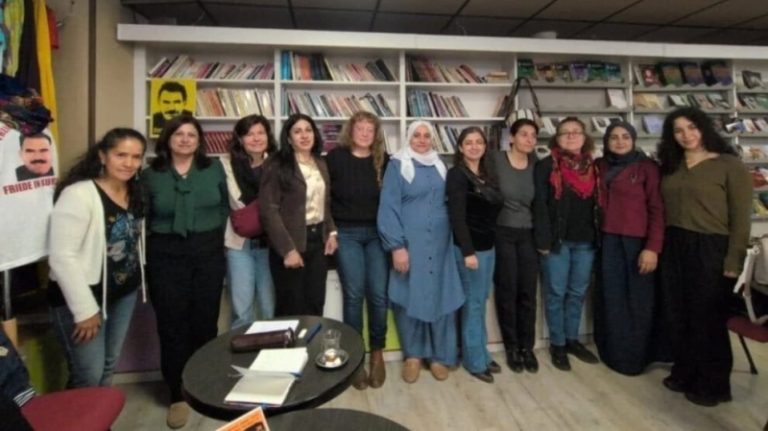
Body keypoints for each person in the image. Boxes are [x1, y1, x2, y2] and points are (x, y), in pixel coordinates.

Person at [657, 107, 752, 406]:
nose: (686, 135)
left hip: (711, 247)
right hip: (674, 244)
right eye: (678, 130)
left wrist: (733, 262)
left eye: (692, 127)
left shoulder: (729, 165)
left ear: (704, 128)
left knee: (707, 318)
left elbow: (741, 219)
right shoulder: (671, 165)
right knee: (678, 313)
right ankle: (685, 371)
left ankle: (714, 385)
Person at [143, 115, 228, 429]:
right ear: (167, 139)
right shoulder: (151, 174)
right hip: (165, 254)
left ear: (199, 140)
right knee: (172, 324)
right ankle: (177, 394)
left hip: (207, 252)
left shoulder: (213, 169)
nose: (185, 139)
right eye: (178, 134)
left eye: (191, 134)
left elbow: (224, 207)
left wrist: (211, 234)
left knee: (205, 321)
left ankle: (204, 386)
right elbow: (143, 215)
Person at [47, 128, 147, 389]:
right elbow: (61, 256)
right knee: (88, 375)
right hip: (82, 298)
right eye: (121, 155)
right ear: (103, 156)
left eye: (136, 157)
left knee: (108, 366)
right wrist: (84, 310)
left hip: (123, 293)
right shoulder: (78, 194)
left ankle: (101, 414)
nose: (129, 163)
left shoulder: (135, 192)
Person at [378, 120, 464, 383]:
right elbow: (388, 208)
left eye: (427, 135)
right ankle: (413, 356)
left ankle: (438, 356)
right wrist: (397, 247)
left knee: (441, 296)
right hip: (410, 245)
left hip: (440, 246)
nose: (422, 140)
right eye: (417, 135)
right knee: (409, 298)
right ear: (409, 138)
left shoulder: (441, 165)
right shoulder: (397, 166)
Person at [593, 121, 664, 376]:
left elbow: (657, 210)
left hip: (638, 243)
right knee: (612, 298)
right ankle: (614, 353)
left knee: (638, 301)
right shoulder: (600, 166)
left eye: (625, 136)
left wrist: (652, 248)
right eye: (614, 137)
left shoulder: (647, 168)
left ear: (634, 140)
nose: (620, 141)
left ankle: (635, 357)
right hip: (608, 240)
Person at [326, 111, 389, 389]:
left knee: (378, 295)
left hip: (377, 235)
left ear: (376, 135)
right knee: (354, 295)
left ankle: (377, 353)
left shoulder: (384, 160)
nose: (364, 133)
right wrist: (331, 231)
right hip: (347, 233)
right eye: (360, 128)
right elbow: (324, 198)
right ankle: (355, 356)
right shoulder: (335, 158)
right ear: (350, 131)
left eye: (370, 130)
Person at [533, 116, 600, 371]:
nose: (571, 136)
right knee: (556, 293)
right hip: (557, 243)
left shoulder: (595, 167)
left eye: (576, 132)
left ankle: (572, 339)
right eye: (565, 133)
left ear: (585, 137)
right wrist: (542, 240)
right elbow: (540, 205)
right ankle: (558, 344)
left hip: (587, 242)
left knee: (577, 293)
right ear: (557, 139)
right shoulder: (546, 166)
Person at [260, 113, 337, 316]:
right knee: (291, 306)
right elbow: (269, 211)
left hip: (318, 242)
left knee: (315, 302)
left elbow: (325, 203)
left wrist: (331, 232)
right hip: (290, 242)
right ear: (288, 138)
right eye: (297, 131)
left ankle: (313, 339)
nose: (304, 135)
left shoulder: (320, 162)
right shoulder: (277, 164)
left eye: (308, 130)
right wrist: (287, 250)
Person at [446, 126, 503, 383]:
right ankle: (474, 361)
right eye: (468, 142)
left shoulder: (487, 174)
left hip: (488, 247)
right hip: (470, 250)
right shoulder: (457, 175)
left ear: (484, 146)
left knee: (481, 301)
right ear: (460, 147)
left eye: (478, 142)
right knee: (473, 303)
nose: (474, 146)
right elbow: (457, 217)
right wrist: (468, 252)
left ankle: (481, 352)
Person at [491, 119, 540, 373]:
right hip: (503, 232)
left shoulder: (537, 164)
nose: (529, 140)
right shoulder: (495, 160)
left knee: (528, 293)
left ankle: (526, 347)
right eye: (524, 134)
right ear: (511, 137)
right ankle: (511, 347)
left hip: (529, 234)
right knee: (507, 290)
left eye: (533, 135)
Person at [220, 115, 277, 328]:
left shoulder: (277, 164)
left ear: (268, 136)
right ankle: (239, 347)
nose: (256, 138)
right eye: (249, 134)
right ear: (240, 139)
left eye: (261, 133)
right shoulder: (226, 164)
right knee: (241, 311)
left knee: (269, 308)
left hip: (271, 244)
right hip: (239, 244)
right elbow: (237, 201)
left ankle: (270, 349)